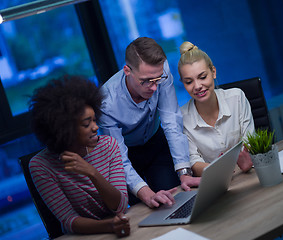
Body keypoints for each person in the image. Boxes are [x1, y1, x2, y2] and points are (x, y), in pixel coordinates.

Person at [99, 37, 200, 208]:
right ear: (127, 71)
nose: (154, 88)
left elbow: (171, 121)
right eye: (145, 81)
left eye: (157, 80)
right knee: (144, 208)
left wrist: (184, 172)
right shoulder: (106, 102)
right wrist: (146, 194)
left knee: (174, 202)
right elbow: (119, 158)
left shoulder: (161, 71)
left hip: (155, 142)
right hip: (127, 153)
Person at [29, 75, 130, 237]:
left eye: (94, 120)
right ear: (64, 128)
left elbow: (120, 206)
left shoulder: (108, 145)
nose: (96, 127)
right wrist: (110, 225)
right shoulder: (41, 166)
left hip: (119, 228)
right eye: (86, 123)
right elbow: (69, 220)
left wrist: (92, 173)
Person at [178, 41, 254, 177]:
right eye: (189, 82)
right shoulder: (182, 117)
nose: (197, 86)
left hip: (248, 174)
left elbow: (250, 142)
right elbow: (194, 163)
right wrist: (221, 169)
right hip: (214, 183)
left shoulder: (237, 97)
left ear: (213, 72)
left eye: (202, 77)